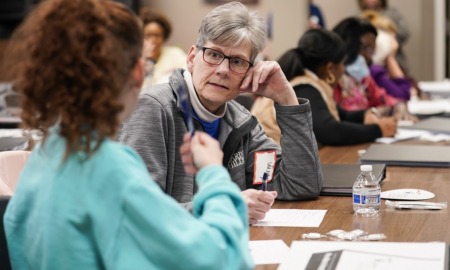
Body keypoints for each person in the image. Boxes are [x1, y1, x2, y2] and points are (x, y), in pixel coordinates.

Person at [3, 0, 253, 269]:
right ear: (137, 73)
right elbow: (226, 259)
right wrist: (213, 174)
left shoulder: (42, 158)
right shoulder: (111, 172)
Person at [119, 1, 323, 225]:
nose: (223, 70)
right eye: (214, 55)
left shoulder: (239, 119)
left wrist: (286, 98)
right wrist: (223, 207)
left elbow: (300, 185)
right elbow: (135, 212)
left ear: (249, 71)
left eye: (237, 61)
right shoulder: (152, 108)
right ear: (191, 58)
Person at [251, 29, 396, 147]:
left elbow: (341, 114)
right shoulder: (304, 88)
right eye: (342, 64)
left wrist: (365, 116)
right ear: (330, 68)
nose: (344, 69)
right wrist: (378, 130)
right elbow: (329, 131)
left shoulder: (311, 83)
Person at [332, 17, 416, 122]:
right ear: (347, 45)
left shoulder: (364, 80)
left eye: (372, 51)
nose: (369, 57)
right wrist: (374, 112)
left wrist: (400, 106)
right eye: (366, 48)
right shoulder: (331, 80)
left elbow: (387, 99)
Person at [361, 10, 417, 100]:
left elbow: (412, 86)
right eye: (391, 39)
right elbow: (403, 95)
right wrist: (390, 58)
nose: (395, 45)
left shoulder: (384, 68)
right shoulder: (374, 71)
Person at [357, 0, 410, 72]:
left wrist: (390, 42)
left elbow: (404, 33)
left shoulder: (392, 14)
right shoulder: (358, 17)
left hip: (395, 60)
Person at [140, 7, 187, 87]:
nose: (152, 40)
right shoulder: (136, 62)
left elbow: (187, 77)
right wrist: (147, 61)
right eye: (147, 36)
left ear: (164, 37)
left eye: (157, 35)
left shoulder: (176, 54)